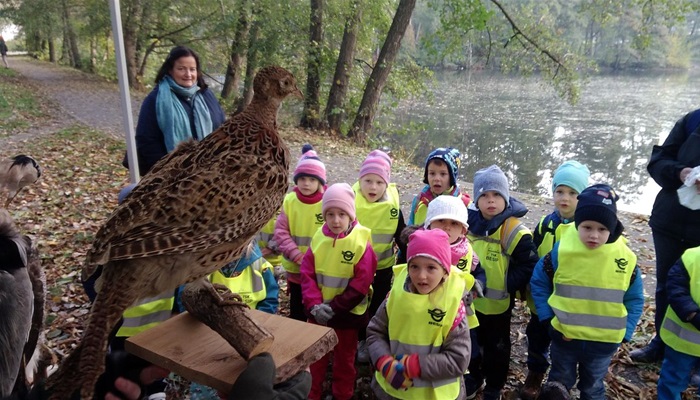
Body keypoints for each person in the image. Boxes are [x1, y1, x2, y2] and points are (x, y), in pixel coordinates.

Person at [530, 184, 644, 400]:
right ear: (577, 224)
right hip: (565, 338)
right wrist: (547, 318)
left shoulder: (626, 258)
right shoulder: (562, 250)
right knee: (559, 383)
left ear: (612, 228)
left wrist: (626, 332)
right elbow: (539, 281)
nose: (594, 235)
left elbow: (635, 298)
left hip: (603, 343)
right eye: (587, 227)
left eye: (602, 229)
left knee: (592, 387)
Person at [366, 229, 472, 400]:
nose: (421, 276)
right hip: (392, 392)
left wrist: (412, 366)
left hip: (436, 395)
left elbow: (458, 360)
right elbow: (375, 332)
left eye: (431, 268)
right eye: (414, 267)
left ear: (445, 270)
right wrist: (383, 361)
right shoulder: (395, 296)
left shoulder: (453, 305)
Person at [631, 109, 700, 363]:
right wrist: (681, 173)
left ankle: (696, 357)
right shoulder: (693, 121)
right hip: (670, 223)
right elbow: (658, 161)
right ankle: (661, 342)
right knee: (665, 286)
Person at [465, 165, 539, 400]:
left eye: (497, 195)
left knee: (497, 349)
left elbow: (529, 263)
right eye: (484, 195)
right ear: (477, 200)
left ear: (506, 198)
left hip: (498, 306)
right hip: (470, 304)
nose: (491, 201)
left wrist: (508, 284)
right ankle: (473, 377)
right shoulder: (468, 224)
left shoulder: (513, 230)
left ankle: (494, 386)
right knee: (471, 344)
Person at [299, 183, 377, 400]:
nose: (335, 220)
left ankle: (342, 395)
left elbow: (361, 284)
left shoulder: (361, 242)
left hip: (347, 316)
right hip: (318, 315)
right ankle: (311, 394)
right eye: (330, 214)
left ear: (351, 215)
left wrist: (334, 308)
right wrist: (314, 305)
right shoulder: (318, 238)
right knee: (314, 359)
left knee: (345, 360)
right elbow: (307, 275)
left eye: (342, 214)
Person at [520, 160, 590, 400]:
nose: (565, 198)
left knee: (564, 343)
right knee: (537, 336)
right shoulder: (546, 223)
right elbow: (533, 252)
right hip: (541, 299)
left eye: (573, 193)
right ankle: (535, 372)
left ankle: (560, 381)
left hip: (568, 302)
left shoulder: (585, 229)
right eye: (560, 191)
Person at [188, 244, 280, 399]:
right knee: (210, 381)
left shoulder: (258, 264)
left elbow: (270, 298)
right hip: (210, 336)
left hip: (252, 335)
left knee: (243, 379)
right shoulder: (203, 264)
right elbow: (189, 298)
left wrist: (259, 323)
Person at [423, 195, 486, 399]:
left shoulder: (467, 250)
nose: (447, 227)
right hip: (428, 309)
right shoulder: (421, 247)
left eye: (453, 223)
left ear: (463, 229)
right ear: (429, 223)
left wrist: (477, 287)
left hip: (461, 311)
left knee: (468, 347)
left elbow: (478, 272)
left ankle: (472, 378)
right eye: (441, 221)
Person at [128, 45, 226, 176]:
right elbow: (146, 140)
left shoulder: (207, 95)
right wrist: (167, 172)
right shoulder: (155, 99)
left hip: (208, 174)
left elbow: (222, 130)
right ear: (170, 70)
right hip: (170, 176)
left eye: (192, 69)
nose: (188, 74)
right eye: (181, 69)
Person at [352, 149, 406, 363]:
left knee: (376, 306)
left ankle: (367, 340)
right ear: (360, 180)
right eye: (368, 181)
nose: (373, 187)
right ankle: (352, 338)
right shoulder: (350, 202)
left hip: (382, 267)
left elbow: (401, 235)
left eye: (379, 182)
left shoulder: (393, 208)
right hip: (353, 266)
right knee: (354, 302)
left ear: (386, 184)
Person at [274, 145, 327, 321]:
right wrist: (297, 255)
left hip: (320, 268)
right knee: (296, 306)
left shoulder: (328, 202)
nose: (306, 183)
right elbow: (281, 232)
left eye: (312, 179)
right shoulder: (290, 201)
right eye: (302, 178)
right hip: (295, 266)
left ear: (320, 182)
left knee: (315, 305)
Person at [656, 245, 700, 399]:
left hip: (685, 339)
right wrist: (692, 314)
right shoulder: (692, 257)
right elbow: (675, 287)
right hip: (683, 341)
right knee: (672, 379)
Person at [407, 147, 470, 226]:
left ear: (451, 177)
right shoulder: (419, 200)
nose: (436, 179)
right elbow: (410, 227)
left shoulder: (464, 203)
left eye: (443, 174)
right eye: (432, 173)